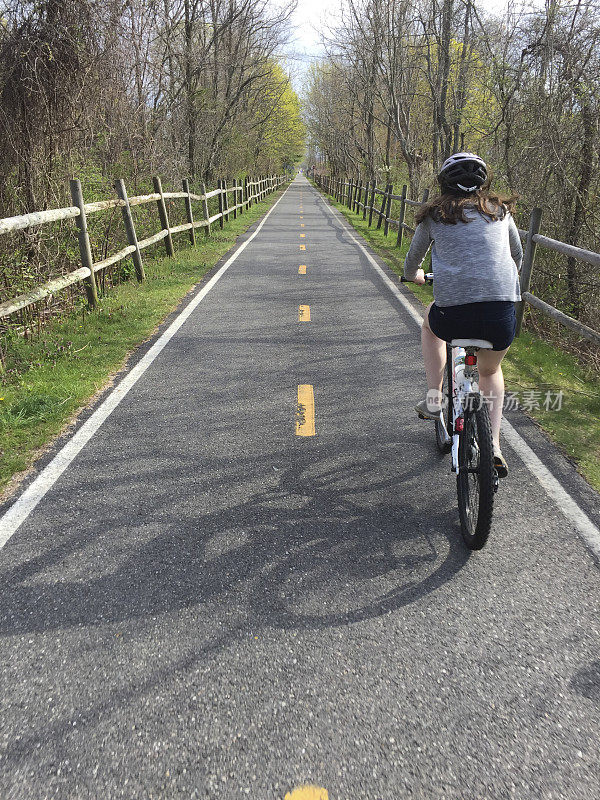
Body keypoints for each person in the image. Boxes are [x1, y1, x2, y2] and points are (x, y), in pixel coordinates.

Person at [403, 152, 523, 477]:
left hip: (453, 316)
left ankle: (432, 398)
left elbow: (412, 260)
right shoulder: (500, 212)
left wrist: (414, 274)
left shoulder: (434, 215)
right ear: (482, 183)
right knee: (489, 372)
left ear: (444, 184)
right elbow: (517, 256)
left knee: (430, 324)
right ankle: (494, 445)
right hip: (500, 314)